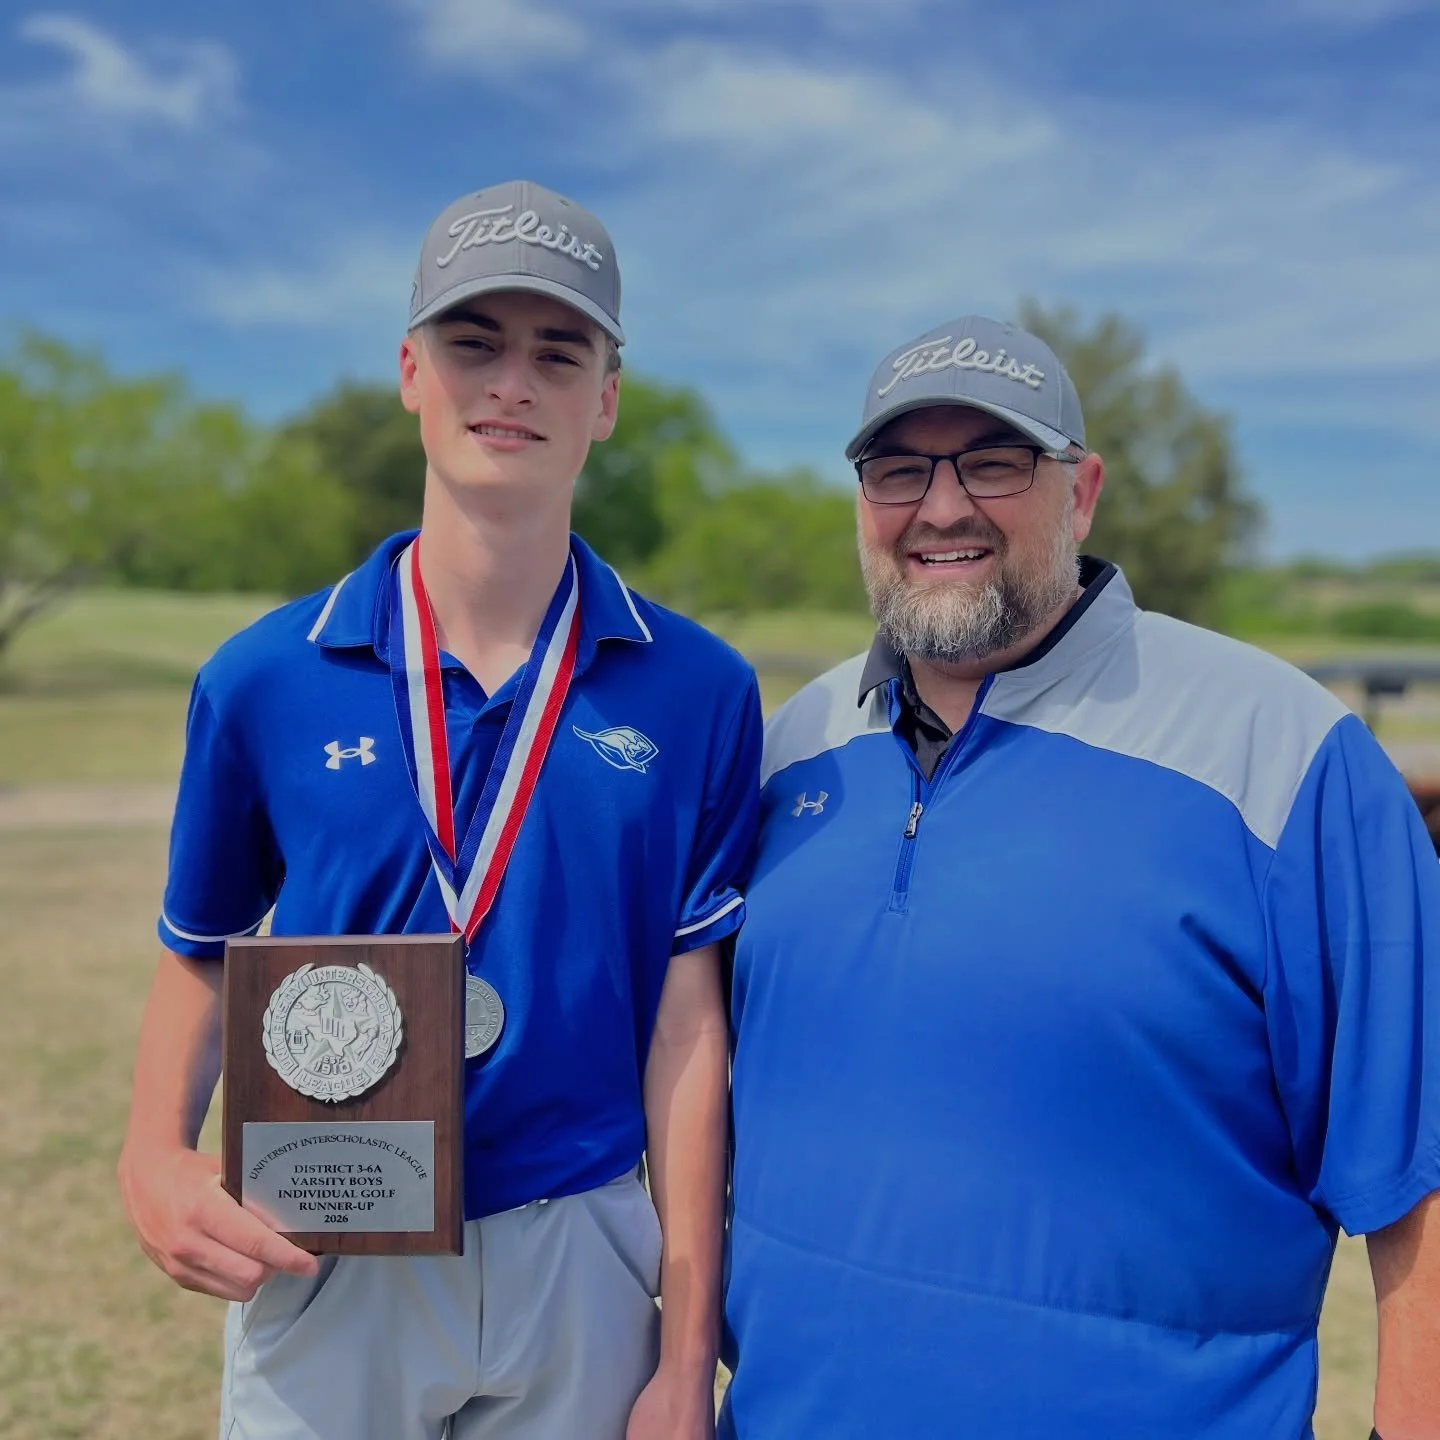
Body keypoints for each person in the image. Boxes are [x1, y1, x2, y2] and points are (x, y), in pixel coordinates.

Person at [118, 179, 759, 1440]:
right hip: (325, 1234)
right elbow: (199, 951)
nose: (512, 382)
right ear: (411, 371)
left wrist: (687, 1356)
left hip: (581, 1243)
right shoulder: (264, 675)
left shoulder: (698, 690)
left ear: (607, 399)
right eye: (475, 343)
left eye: (557, 352)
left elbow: (690, 1032)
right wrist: (151, 1155)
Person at [721, 314, 1440, 1439]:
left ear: (1083, 490)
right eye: (899, 468)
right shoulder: (788, 747)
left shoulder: (1283, 755)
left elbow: (1420, 1169)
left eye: (997, 461)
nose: (943, 506)